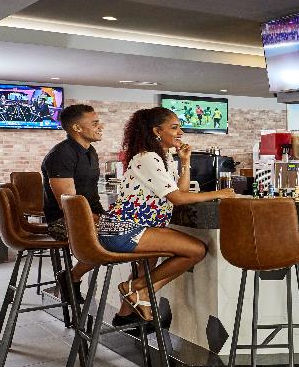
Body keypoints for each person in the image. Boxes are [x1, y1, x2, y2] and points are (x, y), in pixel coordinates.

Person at [97, 107, 235, 325]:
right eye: (174, 127)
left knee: (148, 266)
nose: (181, 132)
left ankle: (126, 314)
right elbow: (178, 199)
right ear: (157, 131)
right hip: (124, 230)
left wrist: (185, 161)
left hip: (139, 228)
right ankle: (136, 288)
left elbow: (181, 191)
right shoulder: (147, 158)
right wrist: (220, 193)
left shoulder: (164, 157)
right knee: (196, 250)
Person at [40, 104, 106, 303]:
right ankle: (71, 277)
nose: (101, 127)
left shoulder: (91, 151)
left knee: (124, 232)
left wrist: (106, 216)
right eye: (95, 123)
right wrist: (101, 221)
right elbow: (69, 206)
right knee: (115, 237)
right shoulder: (61, 155)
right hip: (62, 222)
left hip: (86, 217)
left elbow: (92, 197)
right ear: (77, 128)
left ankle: (71, 277)